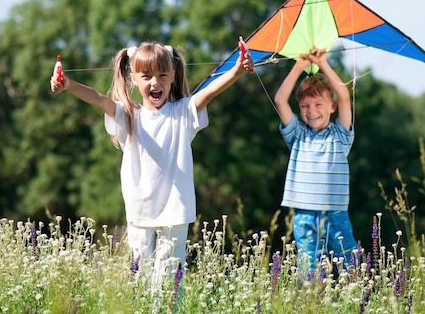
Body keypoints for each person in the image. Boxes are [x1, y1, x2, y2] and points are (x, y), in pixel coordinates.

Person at [50, 40, 254, 287]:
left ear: (173, 77)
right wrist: (68, 84)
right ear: (133, 78)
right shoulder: (128, 115)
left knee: (168, 279)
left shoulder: (182, 112)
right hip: (140, 209)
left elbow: (209, 92)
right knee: (141, 279)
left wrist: (237, 70)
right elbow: (98, 98)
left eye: (162, 75)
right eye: (146, 76)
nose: (155, 82)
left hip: (175, 210)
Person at [274, 47, 358, 270]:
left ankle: (356, 301)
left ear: (331, 107)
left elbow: (344, 96)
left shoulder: (340, 135)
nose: (311, 111)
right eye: (305, 106)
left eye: (318, 104)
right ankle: (314, 301)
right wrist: (299, 66)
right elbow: (280, 100)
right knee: (309, 270)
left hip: (336, 212)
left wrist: (323, 64)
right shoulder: (298, 135)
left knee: (349, 267)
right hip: (304, 213)